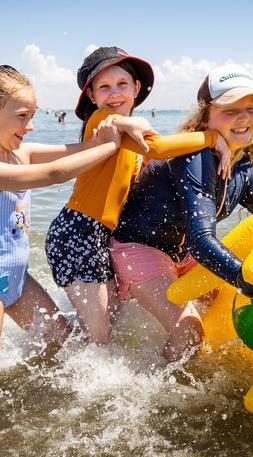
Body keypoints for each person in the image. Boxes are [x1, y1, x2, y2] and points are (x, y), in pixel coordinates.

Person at [111, 64, 253, 361]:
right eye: (230, 110)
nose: (243, 118)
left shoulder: (244, 168)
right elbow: (201, 241)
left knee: (225, 300)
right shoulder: (194, 158)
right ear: (205, 117)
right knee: (189, 334)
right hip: (138, 248)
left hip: (182, 254)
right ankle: (157, 399)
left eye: (250, 109)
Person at [0, 64, 123, 380]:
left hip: (19, 279)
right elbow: (55, 173)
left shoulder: (21, 152)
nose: (31, 126)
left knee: (63, 342)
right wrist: (110, 146)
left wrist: (110, 132)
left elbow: (78, 150)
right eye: (23, 116)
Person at [45, 47, 231, 346]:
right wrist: (213, 138)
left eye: (122, 84)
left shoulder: (129, 139)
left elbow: (153, 162)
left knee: (109, 322)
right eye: (104, 87)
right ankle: (62, 365)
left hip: (101, 235)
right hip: (76, 234)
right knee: (100, 334)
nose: (114, 93)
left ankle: (59, 343)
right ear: (92, 97)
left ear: (136, 88)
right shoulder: (101, 123)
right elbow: (156, 148)